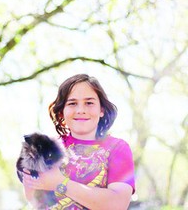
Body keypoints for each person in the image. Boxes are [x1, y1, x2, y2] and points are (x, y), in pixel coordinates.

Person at [21, 74, 135, 209]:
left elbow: (117, 204)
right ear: (62, 112)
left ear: (102, 110)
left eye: (89, 103)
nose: (81, 110)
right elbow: (33, 198)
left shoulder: (117, 148)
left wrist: (61, 183)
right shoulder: (47, 148)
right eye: (72, 103)